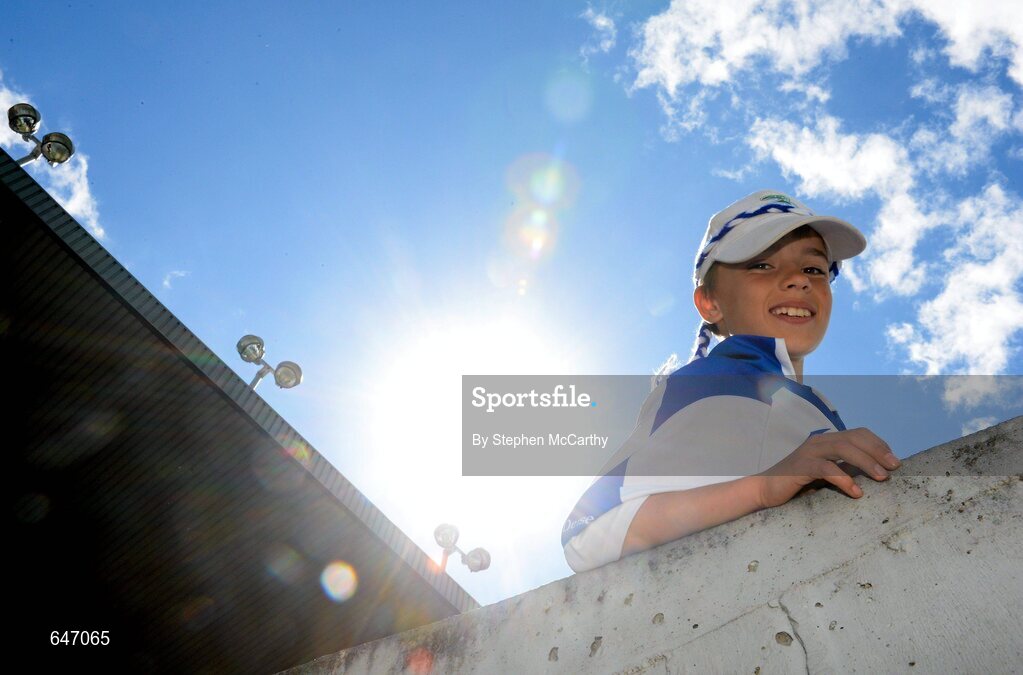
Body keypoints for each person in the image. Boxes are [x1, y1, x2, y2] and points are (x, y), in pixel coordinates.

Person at [562, 189, 900, 573]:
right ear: (711, 303)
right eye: (761, 265)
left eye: (814, 270)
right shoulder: (719, 378)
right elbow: (589, 535)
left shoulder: (803, 399)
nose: (798, 281)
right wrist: (761, 488)